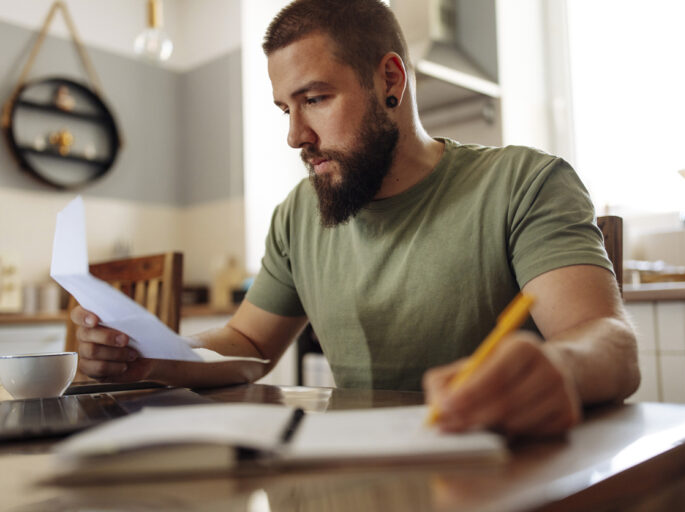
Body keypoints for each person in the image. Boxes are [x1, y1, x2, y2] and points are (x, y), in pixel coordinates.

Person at [71, 0, 639, 437]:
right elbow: (248, 342)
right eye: (285, 109)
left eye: (314, 99)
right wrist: (150, 356)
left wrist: (560, 368)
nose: (295, 136)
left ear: (390, 80)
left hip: (499, 470)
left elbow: (610, 342)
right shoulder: (297, 213)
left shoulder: (522, 183)